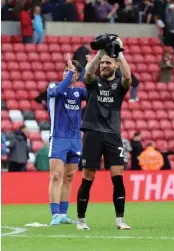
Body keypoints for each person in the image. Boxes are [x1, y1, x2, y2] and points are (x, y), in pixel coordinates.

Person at [76, 36, 132, 230]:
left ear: (115, 65)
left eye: (108, 62)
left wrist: (120, 52)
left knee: (117, 176)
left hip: (112, 134)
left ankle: (120, 220)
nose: (104, 65)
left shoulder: (120, 85)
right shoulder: (93, 83)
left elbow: (128, 78)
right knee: (88, 176)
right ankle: (81, 220)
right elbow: (88, 73)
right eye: (102, 63)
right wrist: (100, 52)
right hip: (92, 131)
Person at [47, 54, 85, 225]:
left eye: (71, 72)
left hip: (75, 139)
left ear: (78, 76)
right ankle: (54, 213)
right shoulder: (53, 86)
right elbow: (60, 91)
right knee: (56, 175)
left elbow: (93, 91)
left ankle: (63, 213)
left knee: (69, 177)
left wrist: (93, 65)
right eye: (65, 70)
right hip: (58, 138)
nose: (66, 73)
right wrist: (70, 73)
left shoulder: (79, 92)